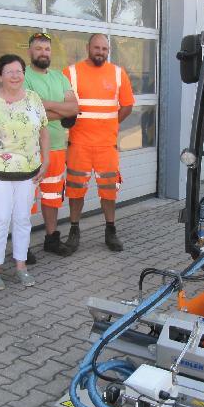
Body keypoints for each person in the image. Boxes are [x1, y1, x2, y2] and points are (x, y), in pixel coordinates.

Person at [0, 55, 50, 291]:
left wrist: (46, 161)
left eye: (19, 71)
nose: (15, 76)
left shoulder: (33, 99)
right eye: (9, 71)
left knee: (23, 220)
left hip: (28, 171)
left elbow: (43, 131)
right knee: (0, 219)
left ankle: (21, 266)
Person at [63, 34, 135, 252]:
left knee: (109, 190)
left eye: (104, 48)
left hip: (106, 146)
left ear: (108, 50)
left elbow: (127, 106)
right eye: (97, 48)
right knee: (75, 191)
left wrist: (110, 124)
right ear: (88, 48)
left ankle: (110, 231)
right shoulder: (71, 72)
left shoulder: (118, 73)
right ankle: (74, 230)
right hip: (78, 144)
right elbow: (64, 106)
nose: (100, 52)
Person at [24, 32, 78, 256]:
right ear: (30, 51)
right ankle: (22, 247)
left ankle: (51, 239)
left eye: (46, 49)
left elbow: (74, 109)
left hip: (57, 147)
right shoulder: (22, 75)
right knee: (25, 199)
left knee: (52, 195)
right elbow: (27, 111)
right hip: (28, 149)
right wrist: (60, 109)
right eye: (38, 49)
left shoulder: (60, 77)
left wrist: (44, 106)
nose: (43, 53)